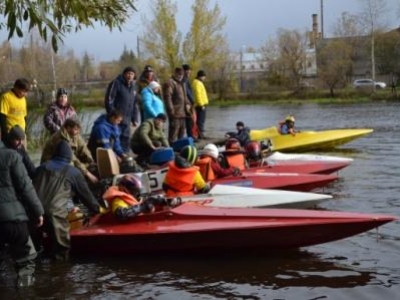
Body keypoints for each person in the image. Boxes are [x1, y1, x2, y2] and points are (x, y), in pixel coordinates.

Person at [33, 140, 103, 261]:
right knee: (61, 252)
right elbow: (87, 197)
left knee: (34, 252)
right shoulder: (73, 172)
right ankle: (60, 277)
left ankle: (37, 277)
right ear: (69, 156)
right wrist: (99, 210)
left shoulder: (40, 168)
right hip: (55, 214)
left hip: (33, 212)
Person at [0, 130, 44, 288]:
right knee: (26, 262)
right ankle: (25, 293)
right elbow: (26, 187)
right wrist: (38, 211)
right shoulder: (12, 156)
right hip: (13, 220)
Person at [41, 117, 98, 184]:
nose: (78, 132)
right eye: (76, 129)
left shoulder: (75, 135)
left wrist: (91, 161)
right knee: (72, 165)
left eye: (78, 129)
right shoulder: (60, 139)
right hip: (51, 165)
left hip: (64, 161)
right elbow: (72, 159)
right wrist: (88, 174)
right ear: (68, 128)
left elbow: (83, 148)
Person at [104, 66, 138, 152]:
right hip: (116, 119)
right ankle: (114, 160)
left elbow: (134, 104)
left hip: (127, 119)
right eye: (128, 73)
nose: (130, 76)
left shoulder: (133, 86)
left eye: (132, 74)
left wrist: (135, 118)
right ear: (124, 74)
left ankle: (124, 159)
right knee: (115, 140)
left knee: (126, 140)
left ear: (134, 76)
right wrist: (113, 115)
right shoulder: (116, 83)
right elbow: (109, 100)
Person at [163, 67, 190, 144]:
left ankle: (179, 149)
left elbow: (185, 97)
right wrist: (171, 111)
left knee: (182, 133)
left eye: (182, 74)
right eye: (178, 74)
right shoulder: (169, 83)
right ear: (175, 73)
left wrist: (188, 105)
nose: (180, 75)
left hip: (183, 113)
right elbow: (168, 98)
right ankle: (171, 148)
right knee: (173, 133)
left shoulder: (183, 83)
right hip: (175, 113)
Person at [0, 78, 30, 142]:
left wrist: (25, 131)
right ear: (16, 88)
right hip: (11, 133)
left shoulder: (23, 99)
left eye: (26, 92)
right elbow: (2, 116)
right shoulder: (6, 97)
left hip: (22, 133)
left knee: (22, 152)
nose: (24, 94)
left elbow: (24, 116)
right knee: (12, 152)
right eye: (23, 91)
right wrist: (5, 133)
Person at [192, 70, 209, 139]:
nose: (204, 78)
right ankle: (200, 134)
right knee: (200, 120)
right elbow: (198, 94)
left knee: (200, 120)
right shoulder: (197, 83)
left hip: (200, 104)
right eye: (204, 76)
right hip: (200, 105)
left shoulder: (197, 82)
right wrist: (201, 104)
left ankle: (200, 134)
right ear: (200, 76)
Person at [182, 64, 196, 139]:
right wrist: (190, 101)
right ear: (184, 71)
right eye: (187, 70)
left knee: (190, 120)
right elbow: (186, 92)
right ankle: (190, 136)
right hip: (187, 102)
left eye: (189, 70)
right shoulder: (184, 80)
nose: (189, 72)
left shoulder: (186, 79)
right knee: (189, 119)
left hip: (189, 102)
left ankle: (191, 135)